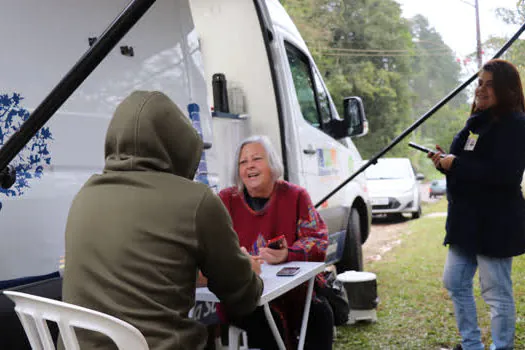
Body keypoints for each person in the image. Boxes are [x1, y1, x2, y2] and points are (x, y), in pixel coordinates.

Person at [60, 91, 263, 350]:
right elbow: (241, 299)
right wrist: (251, 271)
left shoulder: (84, 196)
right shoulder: (196, 200)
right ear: (181, 145)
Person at [428, 59, 525, 350]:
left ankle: (502, 347)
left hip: (495, 223)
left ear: (507, 88)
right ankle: (471, 346)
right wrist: (444, 164)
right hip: (465, 223)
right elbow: (464, 164)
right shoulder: (476, 121)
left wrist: (456, 164)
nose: (481, 89)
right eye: (479, 82)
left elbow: (505, 175)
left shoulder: (516, 124)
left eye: (489, 83)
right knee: (455, 282)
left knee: (496, 293)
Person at [218, 135, 333, 350]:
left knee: (321, 315)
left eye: (256, 159)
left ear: (272, 164)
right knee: (266, 324)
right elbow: (213, 245)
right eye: (243, 162)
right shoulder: (226, 200)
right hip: (247, 294)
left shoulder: (295, 196)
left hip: (294, 293)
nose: (250, 166)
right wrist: (236, 259)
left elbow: (318, 240)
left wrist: (288, 253)